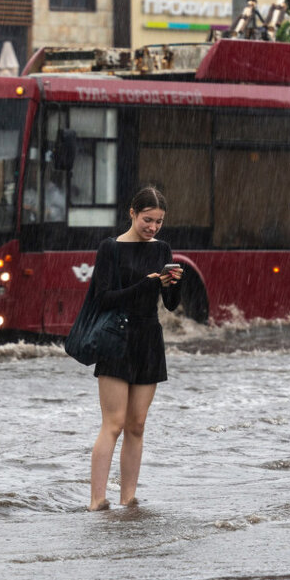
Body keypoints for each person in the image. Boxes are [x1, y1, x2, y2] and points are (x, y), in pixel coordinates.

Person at [87, 186, 183, 511]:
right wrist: (145, 284)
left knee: (137, 425)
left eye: (158, 222)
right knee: (113, 424)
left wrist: (174, 284)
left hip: (149, 339)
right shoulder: (110, 248)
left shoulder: (163, 249)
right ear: (132, 213)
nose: (153, 227)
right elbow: (102, 299)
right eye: (147, 220)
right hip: (116, 338)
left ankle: (128, 499)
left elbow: (170, 304)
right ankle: (97, 501)